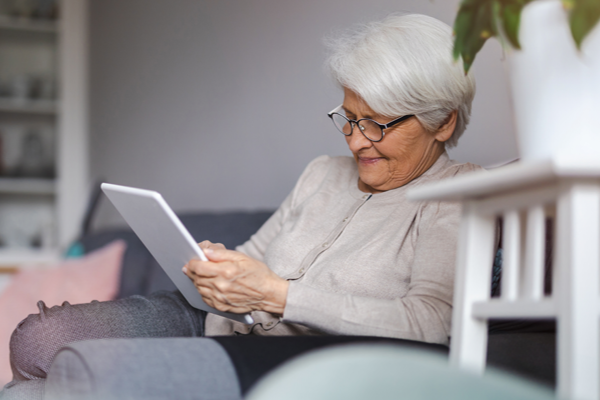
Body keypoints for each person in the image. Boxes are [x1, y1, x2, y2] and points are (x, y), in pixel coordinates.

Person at [4, 12, 480, 394]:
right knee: (37, 341)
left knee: (62, 382)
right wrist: (219, 264)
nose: (357, 143)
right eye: (350, 119)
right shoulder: (322, 173)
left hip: (298, 352)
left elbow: (431, 322)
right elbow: (254, 251)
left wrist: (277, 295)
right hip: (214, 317)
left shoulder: (455, 196)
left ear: (442, 123)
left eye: (377, 124)